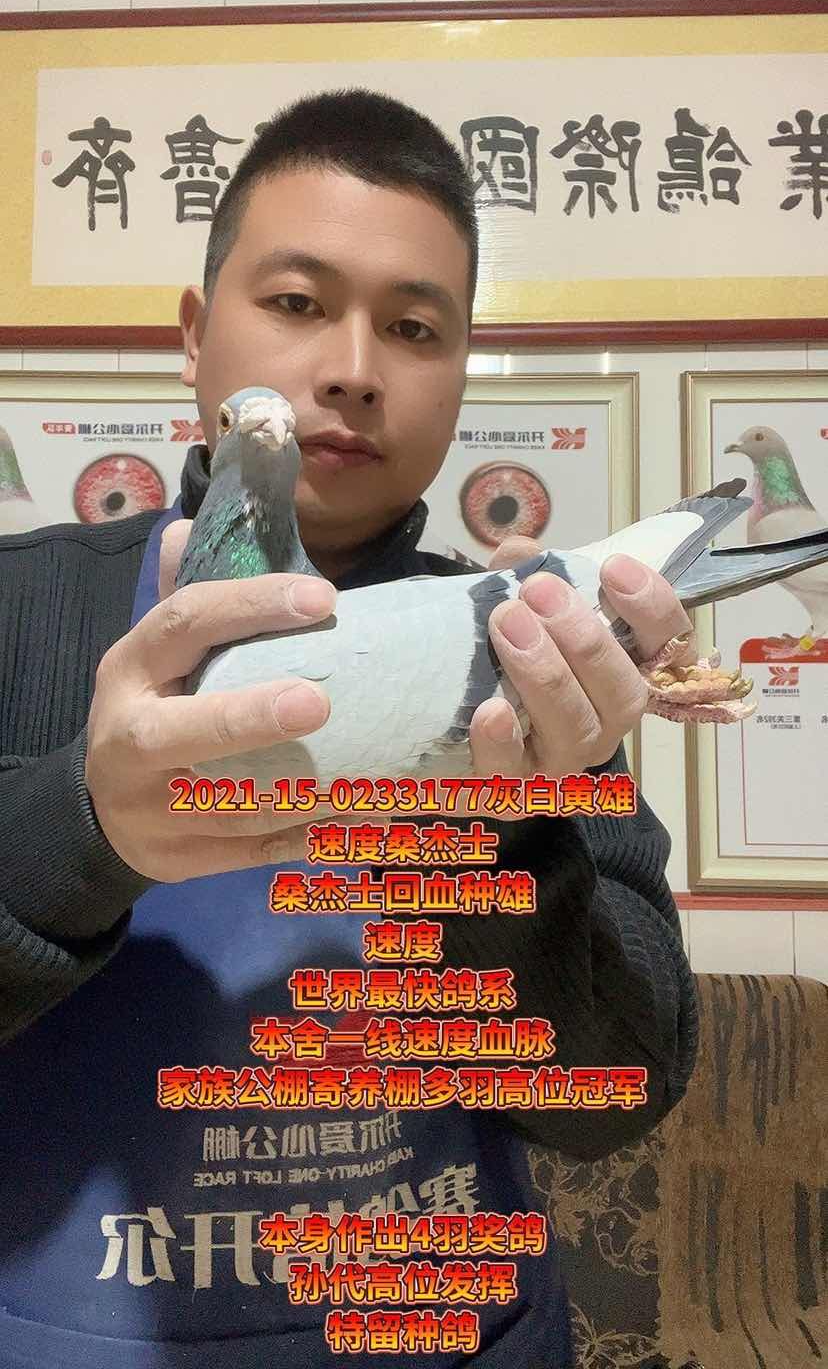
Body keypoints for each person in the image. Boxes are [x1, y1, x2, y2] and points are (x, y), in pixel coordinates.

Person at [0, 89, 698, 1369]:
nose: (355, 368)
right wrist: (86, 829)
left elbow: (616, 1097)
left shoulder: (529, 659)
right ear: (195, 336)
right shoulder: (20, 606)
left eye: (415, 326)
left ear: (461, 372)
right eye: (297, 301)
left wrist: (501, 837)